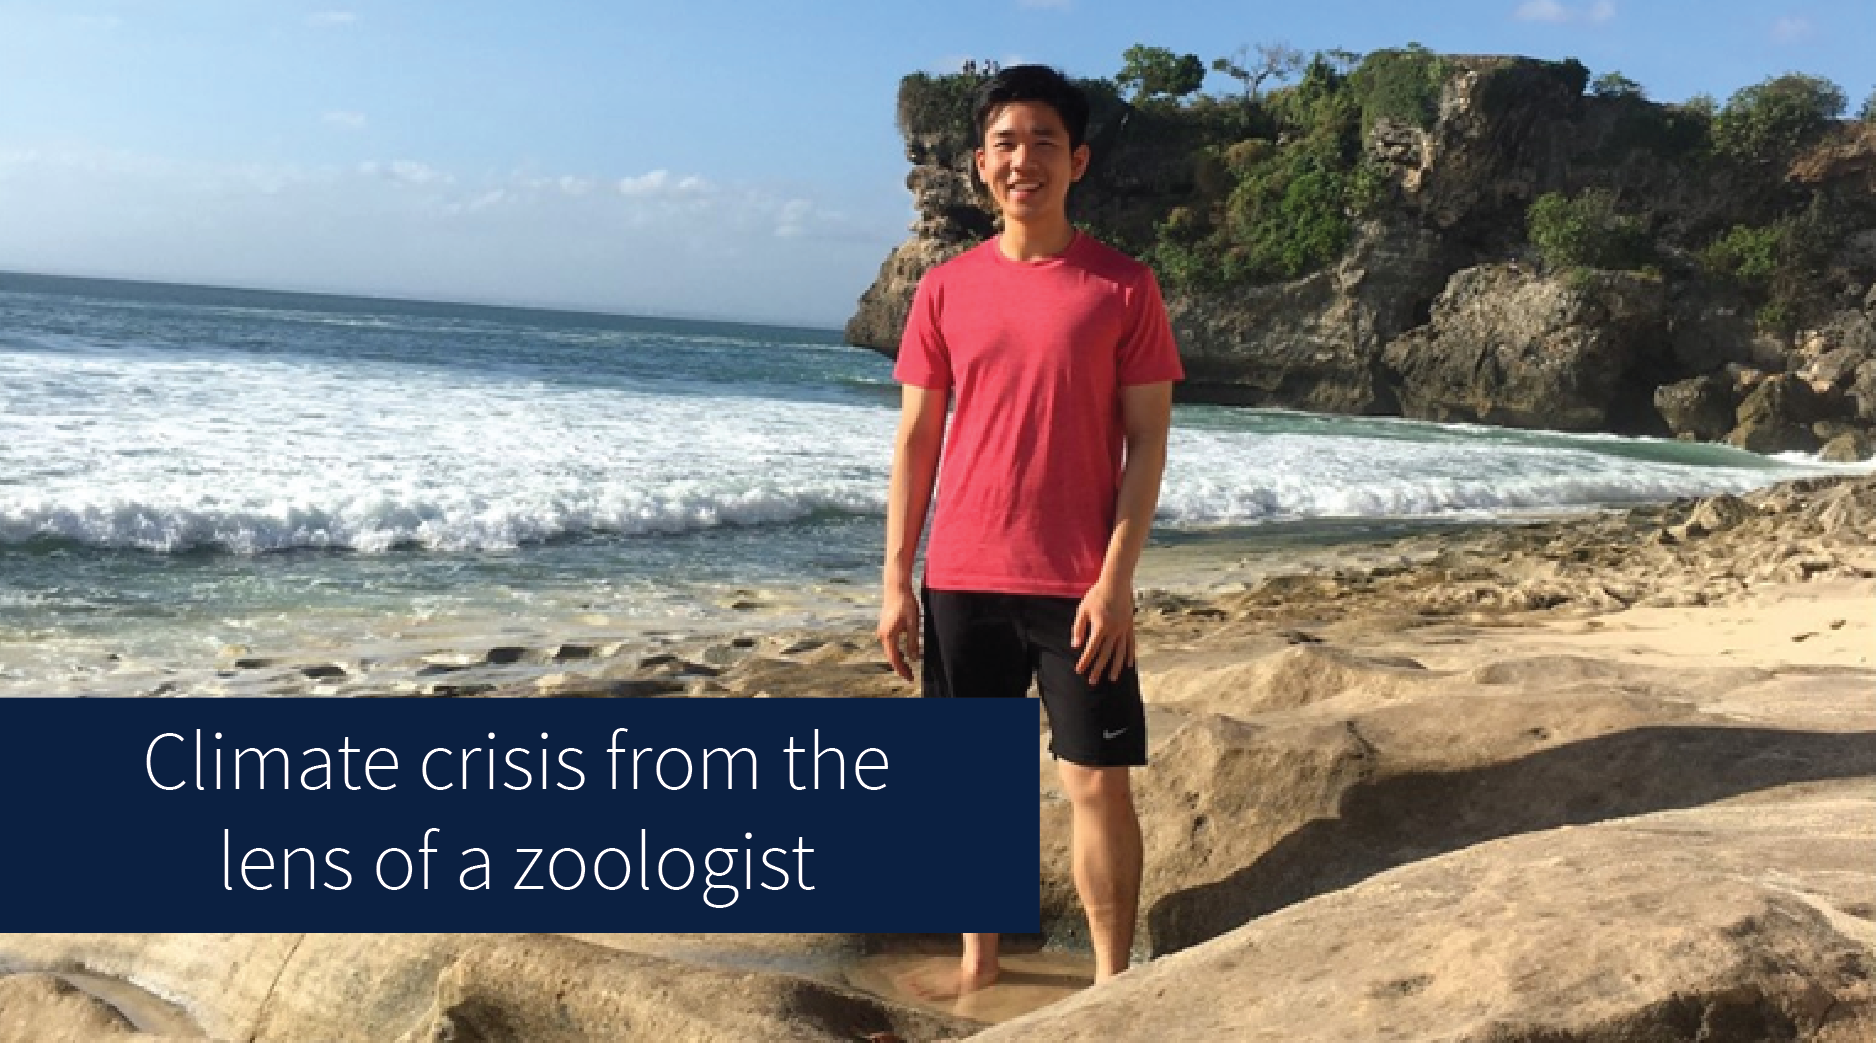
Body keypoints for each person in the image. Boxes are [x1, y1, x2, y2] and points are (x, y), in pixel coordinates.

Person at [876, 64, 1183, 998]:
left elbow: (1147, 446)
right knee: (974, 783)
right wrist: (897, 579)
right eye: (1006, 144)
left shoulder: (1123, 288)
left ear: (1076, 161)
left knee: (1096, 780)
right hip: (964, 572)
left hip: (1076, 583)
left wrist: (1116, 579)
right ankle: (980, 962)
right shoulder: (944, 290)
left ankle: (1110, 983)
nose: (1024, 161)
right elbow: (918, 439)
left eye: (1044, 142)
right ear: (980, 165)